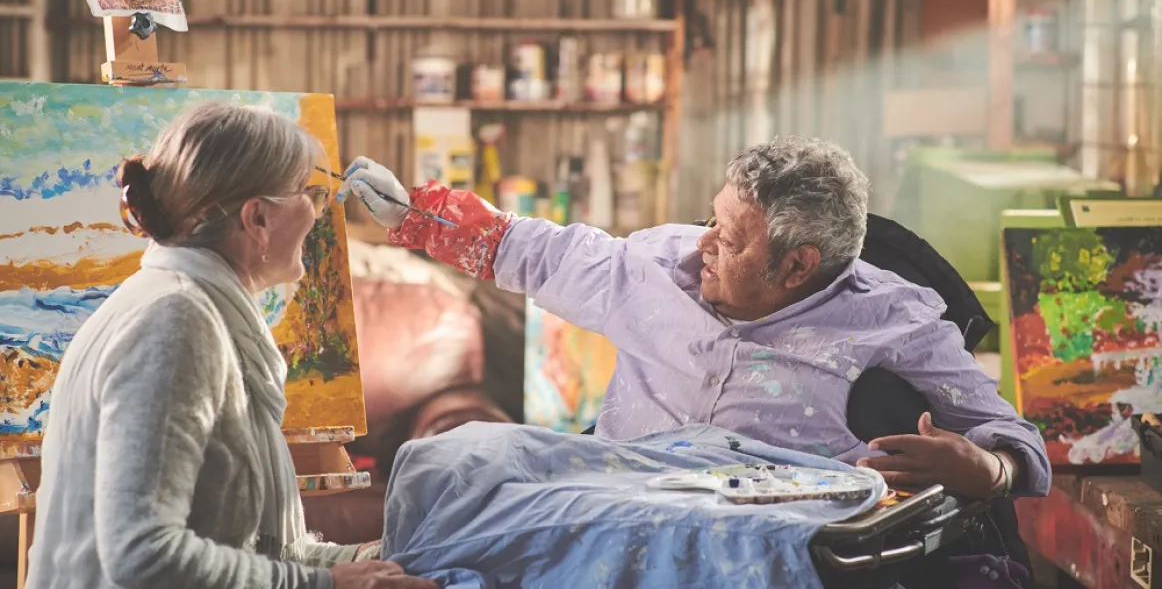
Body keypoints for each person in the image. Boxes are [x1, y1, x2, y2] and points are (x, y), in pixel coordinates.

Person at [338, 138, 1050, 502]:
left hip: (769, 526)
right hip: (618, 488)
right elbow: (542, 251)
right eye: (713, 217)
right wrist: (419, 217)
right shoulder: (657, 265)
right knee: (439, 468)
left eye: (731, 238)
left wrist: (987, 469)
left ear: (798, 266)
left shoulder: (894, 317)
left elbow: (1014, 438)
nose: (701, 241)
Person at [26, 103, 436, 589]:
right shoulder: (175, 322)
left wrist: (378, 559)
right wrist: (330, 584)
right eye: (314, 196)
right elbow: (144, 556)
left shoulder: (202, 309)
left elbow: (260, 552)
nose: (323, 214)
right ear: (257, 218)